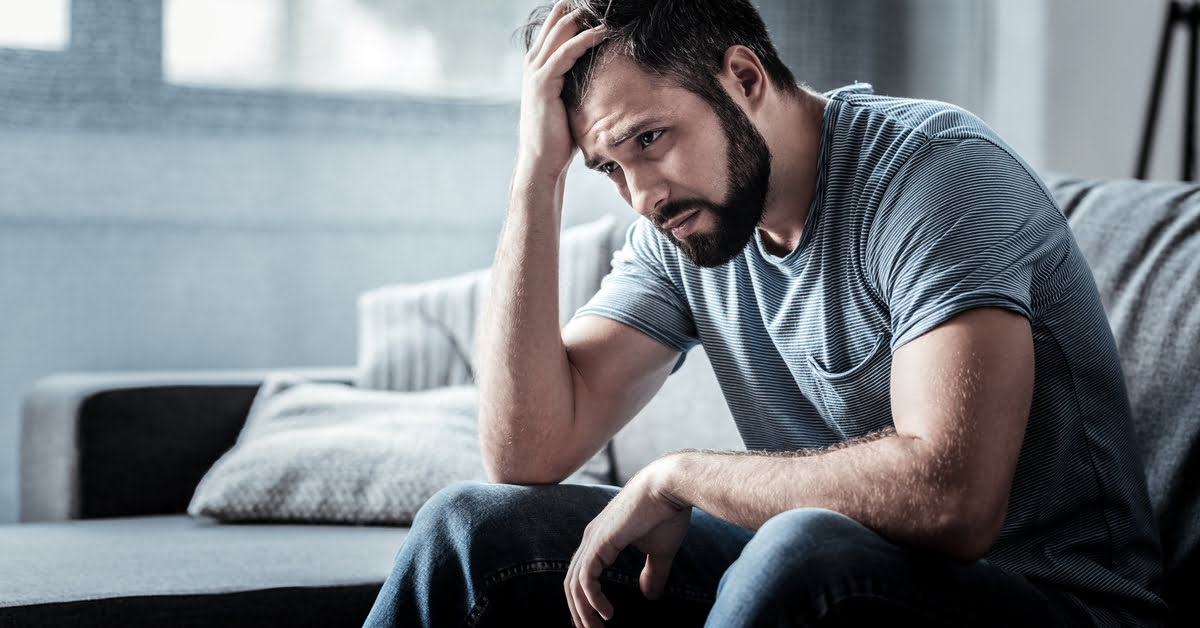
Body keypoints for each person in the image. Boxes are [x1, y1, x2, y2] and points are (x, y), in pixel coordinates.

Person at [364, 1, 1166, 626]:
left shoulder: (936, 175)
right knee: (472, 529)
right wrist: (535, 173)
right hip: (814, 581)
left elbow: (951, 500)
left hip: (1056, 603)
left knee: (799, 547)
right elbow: (526, 450)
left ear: (744, 77)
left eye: (651, 138)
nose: (641, 196)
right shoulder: (687, 229)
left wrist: (681, 476)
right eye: (609, 167)